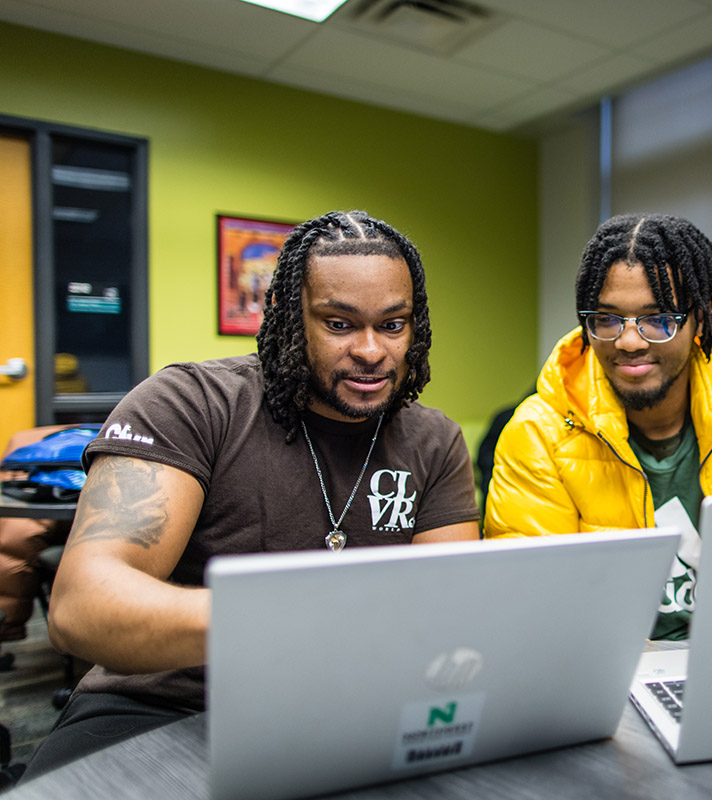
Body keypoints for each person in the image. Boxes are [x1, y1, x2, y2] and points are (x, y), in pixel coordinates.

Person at [24, 210, 480, 777]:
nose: (371, 350)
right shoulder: (190, 403)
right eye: (339, 324)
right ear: (294, 319)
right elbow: (81, 607)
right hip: (167, 704)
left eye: (392, 325)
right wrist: (281, 620)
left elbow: (450, 607)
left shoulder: (434, 440)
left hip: (357, 709)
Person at [484, 213, 712, 640]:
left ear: (700, 321)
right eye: (607, 319)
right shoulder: (537, 433)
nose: (629, 341)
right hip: (604, 673)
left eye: (659, 319)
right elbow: (530, 611)